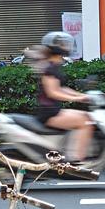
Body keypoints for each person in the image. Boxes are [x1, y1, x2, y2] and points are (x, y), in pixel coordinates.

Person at [34, 31, 94, 164]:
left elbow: (61, 88)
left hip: (55, 110)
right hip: (49, 113)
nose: (66, 47)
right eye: (63, 44)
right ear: (55, 48)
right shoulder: (49, 68)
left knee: (88, 117)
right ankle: (77, 160)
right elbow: (53, 92)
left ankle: (72, 152)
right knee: (85, 123)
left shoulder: (54, 65)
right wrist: (76, 99)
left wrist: (82, 95)